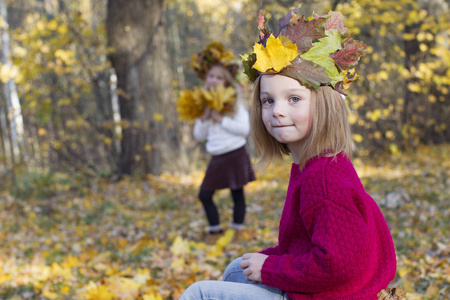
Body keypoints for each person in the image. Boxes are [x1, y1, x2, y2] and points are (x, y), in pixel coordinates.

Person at [180, 5, 396, 300]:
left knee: (199, 294)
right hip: (326, 289)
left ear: (324, 105)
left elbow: (339, 264)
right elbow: (308, 247)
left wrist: (270, 268)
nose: (277, 111)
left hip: (333, 295)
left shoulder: (324, 180)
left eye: (294, 98)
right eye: (268, 101)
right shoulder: (313, 166)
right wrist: (269, 260)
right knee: (236, 270)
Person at [191, 42, 256, 238]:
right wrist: (204, 119)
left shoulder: (234, 102)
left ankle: (237, 231)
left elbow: (244, 129)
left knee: (237, 193)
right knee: (205, 194)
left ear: (226, 81)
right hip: (217, 155)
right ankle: (215, 231)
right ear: (206, 78)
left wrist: (221, 119)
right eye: (211, 76)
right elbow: (198, 136)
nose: (214, 80)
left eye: (219, 77)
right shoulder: (203, 102)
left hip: (235, 152)